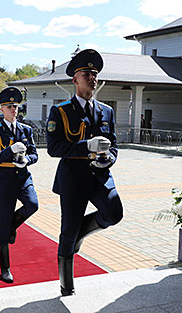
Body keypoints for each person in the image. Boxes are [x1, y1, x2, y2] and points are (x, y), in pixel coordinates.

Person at [46, 49, 123, 296]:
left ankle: (81, 232)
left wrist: (109, 158)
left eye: (95, 73)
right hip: (73, 179)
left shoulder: (107, 111)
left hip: (99, 176)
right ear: (75, 80)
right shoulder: (61, 111)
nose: (93, 78)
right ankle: (66, 285)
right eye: (87, 73)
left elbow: (114, 144)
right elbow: (54, 148)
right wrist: (85, 147)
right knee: (67, 231)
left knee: (114, 213)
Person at [0, 87, 39, 283]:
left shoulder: (26, 130)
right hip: (4, 181)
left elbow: (35, 154)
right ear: (2, 109)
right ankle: (5, 268)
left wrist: (28, 161)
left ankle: (12, 227)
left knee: (33, 204)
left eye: (15, 106)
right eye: (9, 106)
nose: (13, 109)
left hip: (23, 177)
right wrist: (9, 150)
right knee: (2, 227)